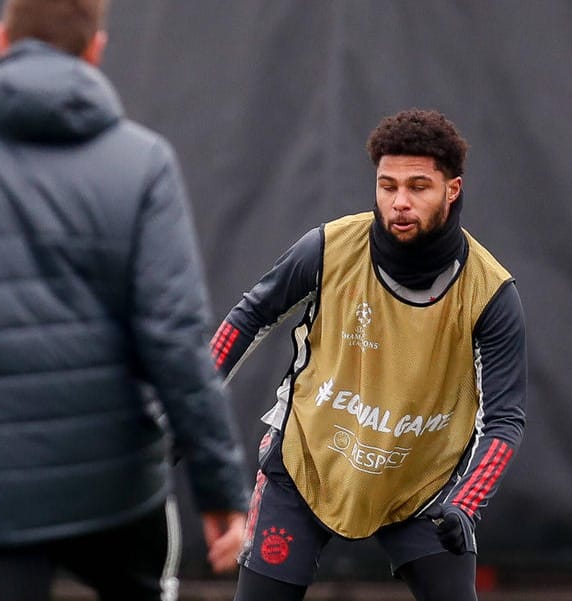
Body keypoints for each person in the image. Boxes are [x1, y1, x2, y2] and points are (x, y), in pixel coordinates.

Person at [0, 0, 250, 601]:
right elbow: (175, 341)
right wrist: (219, 488)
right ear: (95, 49)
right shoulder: (144, 163)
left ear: (0, 39)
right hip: (114, 487)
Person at [210, 109, 526, 601]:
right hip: (308, 465)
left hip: (423, 487)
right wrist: (190, 407)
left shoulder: (490, 292)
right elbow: (247, 318)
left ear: (452, 189)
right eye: (387, 185)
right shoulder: (328, 248)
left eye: (418, 186)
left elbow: (505, 420)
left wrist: (464, 505)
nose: (400, 202)